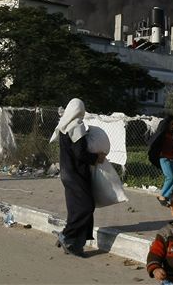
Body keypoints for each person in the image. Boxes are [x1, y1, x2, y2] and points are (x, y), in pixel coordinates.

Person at [50, 98, 106, 258]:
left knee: (76, 209)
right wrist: (96, 158)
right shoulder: (75, 127)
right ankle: (67, 236)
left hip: (67, 173)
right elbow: (80, 153)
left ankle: (75, 245)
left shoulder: (63, 126)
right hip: (76, 174)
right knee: (86, 207)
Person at [148, 114, 173, 207]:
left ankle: (170, 198)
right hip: (164, 158)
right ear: (167, 124)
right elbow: (153, 142)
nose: (172, 126)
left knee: (172, 178)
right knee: (169, 177)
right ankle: (162, 195)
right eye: (171, 124)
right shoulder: (162, 132)